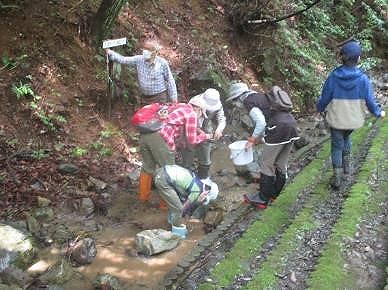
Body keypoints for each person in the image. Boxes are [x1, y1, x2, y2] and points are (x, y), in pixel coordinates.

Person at [316, 39, 385, 189]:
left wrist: (319, 107)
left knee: (336, 145)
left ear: (342, 57)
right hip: (354, 121)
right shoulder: (363, 79)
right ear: (358, 59)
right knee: (346, 137)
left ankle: (337, 178)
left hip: (337, 119)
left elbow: (325, 98)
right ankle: (347, 169)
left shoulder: (333, 77)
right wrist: (378, 113)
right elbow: (370, 101)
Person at [227, 82, 300, 208]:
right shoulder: (259, 97)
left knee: (266, 164)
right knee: (281, 163)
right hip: (291, 126)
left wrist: (251, 140)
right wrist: (258, 139)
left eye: (234, 101)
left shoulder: (248, 101)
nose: (235, 104)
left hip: (278, 128)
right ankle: (275, 193)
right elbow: (266, 121)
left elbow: (261, 123)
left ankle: (263, 197)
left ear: (238, 97)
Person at [138, 98, 211, 202]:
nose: (200, 117)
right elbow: (192, 140)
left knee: (147, 167)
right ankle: (166, 204)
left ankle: (143, 197)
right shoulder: (191, 114)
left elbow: (174, 126)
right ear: (198, 109)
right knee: (169, 172)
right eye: (201, 114)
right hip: (161, 137)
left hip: (145, 134)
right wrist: (206, 136)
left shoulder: (179, 106)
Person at [105, 39, 178, 105]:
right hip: (145, 98)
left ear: (155, 52)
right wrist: (110, 53)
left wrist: (173, 99)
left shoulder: (162, 63)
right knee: (145, 118)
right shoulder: (139, 60)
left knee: (157, 119)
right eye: (144, 49)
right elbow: (123, 60)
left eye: (148, 50)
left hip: (159, 98)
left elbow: (170, 80)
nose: (145, 51)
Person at [154, 164, 219, 238]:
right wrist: (184, 222)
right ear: (206, 192)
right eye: (205, 198)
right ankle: (176, 233)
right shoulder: (197, 191)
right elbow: (184, 208)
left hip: (161, 171)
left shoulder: (197, 180)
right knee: (178, 208)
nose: (203, 200)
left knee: (174, 203)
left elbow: (183, 201)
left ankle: (170, 223)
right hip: (164, 179)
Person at [180, 88, 227, 179]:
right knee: (189, 150)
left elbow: (221, 118)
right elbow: (189, 122)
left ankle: (203, 177)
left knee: (205, 154)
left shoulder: (216, 102)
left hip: (206, 125)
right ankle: (185, 175)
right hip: (191, 127)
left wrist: (219, 129)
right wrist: (199, 131)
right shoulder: (194, 102)